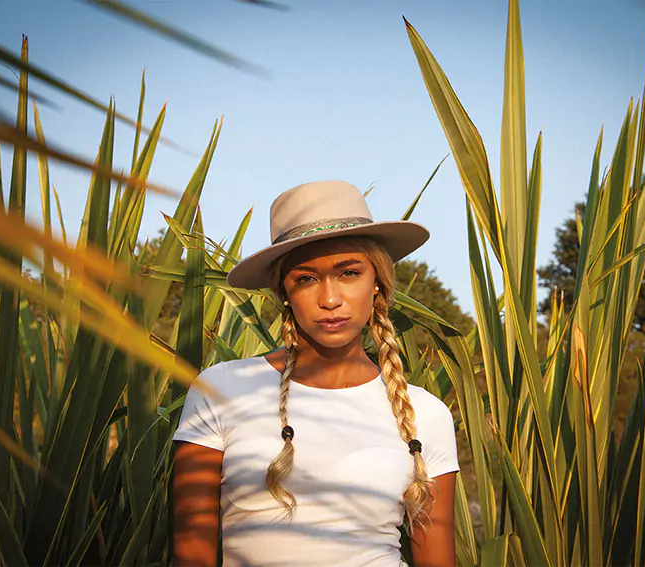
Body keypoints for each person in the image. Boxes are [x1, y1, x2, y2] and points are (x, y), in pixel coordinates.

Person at [172, 180, 459, 566]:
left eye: (349, 273)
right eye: (306, 279)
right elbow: (192, 554)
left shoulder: (424, 413)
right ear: (284, 293)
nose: (329, 299)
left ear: (377, 282)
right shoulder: (222, 389)